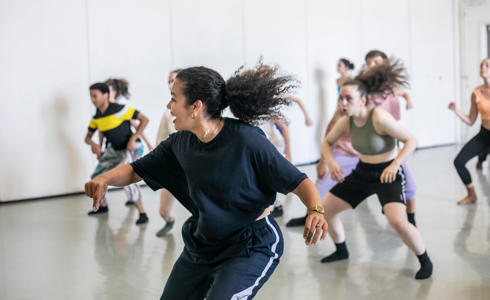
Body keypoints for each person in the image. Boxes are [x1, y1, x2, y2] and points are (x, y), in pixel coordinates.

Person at [84, 65, 328, 299]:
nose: (168, 106)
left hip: (251, 245)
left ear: (195, 106)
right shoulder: (179, 143)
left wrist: (315, 210)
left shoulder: (246, 140)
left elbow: (298, 181)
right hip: (203, 244)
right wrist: (104, 178)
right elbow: (137, 170)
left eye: (173, 98)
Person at [319, 60, 433, 280]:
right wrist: (331, 162)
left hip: (387, 173)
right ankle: (341, 251)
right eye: (340, 98)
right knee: (326, 210)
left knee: (398, 221)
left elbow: (411, 140)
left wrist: (395, 164)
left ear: (362, 100)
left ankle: (425, 261)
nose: (343, 103)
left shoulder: (379, 117)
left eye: (348, 98)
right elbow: (327, 141)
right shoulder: (347, 121)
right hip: (363, 172)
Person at [364, 50, 417, 226]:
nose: (372, 65)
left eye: (376, 62)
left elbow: (394, 125)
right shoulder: (363, 91)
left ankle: (411, 218)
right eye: (369, 62)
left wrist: (408, 100)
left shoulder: (391, 91)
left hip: (389, 145)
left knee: (408, 181)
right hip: (367, 146)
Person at [85, 82, 150, 225]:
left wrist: (133, 138)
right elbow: (87, 137)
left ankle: (142, 213)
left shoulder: (121, 110)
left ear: (106, 95)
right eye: (91, 97)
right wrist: (95, 145)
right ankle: (102, 206)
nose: (93, 99)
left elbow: (144, 120)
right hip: (113, 150)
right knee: (96, 178)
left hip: (129, 149)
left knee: (128, 181)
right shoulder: (96, 118)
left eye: (95, 96)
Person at [448, 58, 490, 204]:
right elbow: (471, 120)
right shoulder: (476, 93)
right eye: (481, 65)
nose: (483, 67)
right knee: (459, 162)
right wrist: (456, 111)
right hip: (484, 135)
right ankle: (471, 194)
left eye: (487, 65)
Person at [155, 69, 181, 237]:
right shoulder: (167, 113)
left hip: (198, 168)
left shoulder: (200, 108)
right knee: (163, 211)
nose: (171, 83)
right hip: (175, 168)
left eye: (175, 80)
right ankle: (169, 220)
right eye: (169, 81)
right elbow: (161, 141)